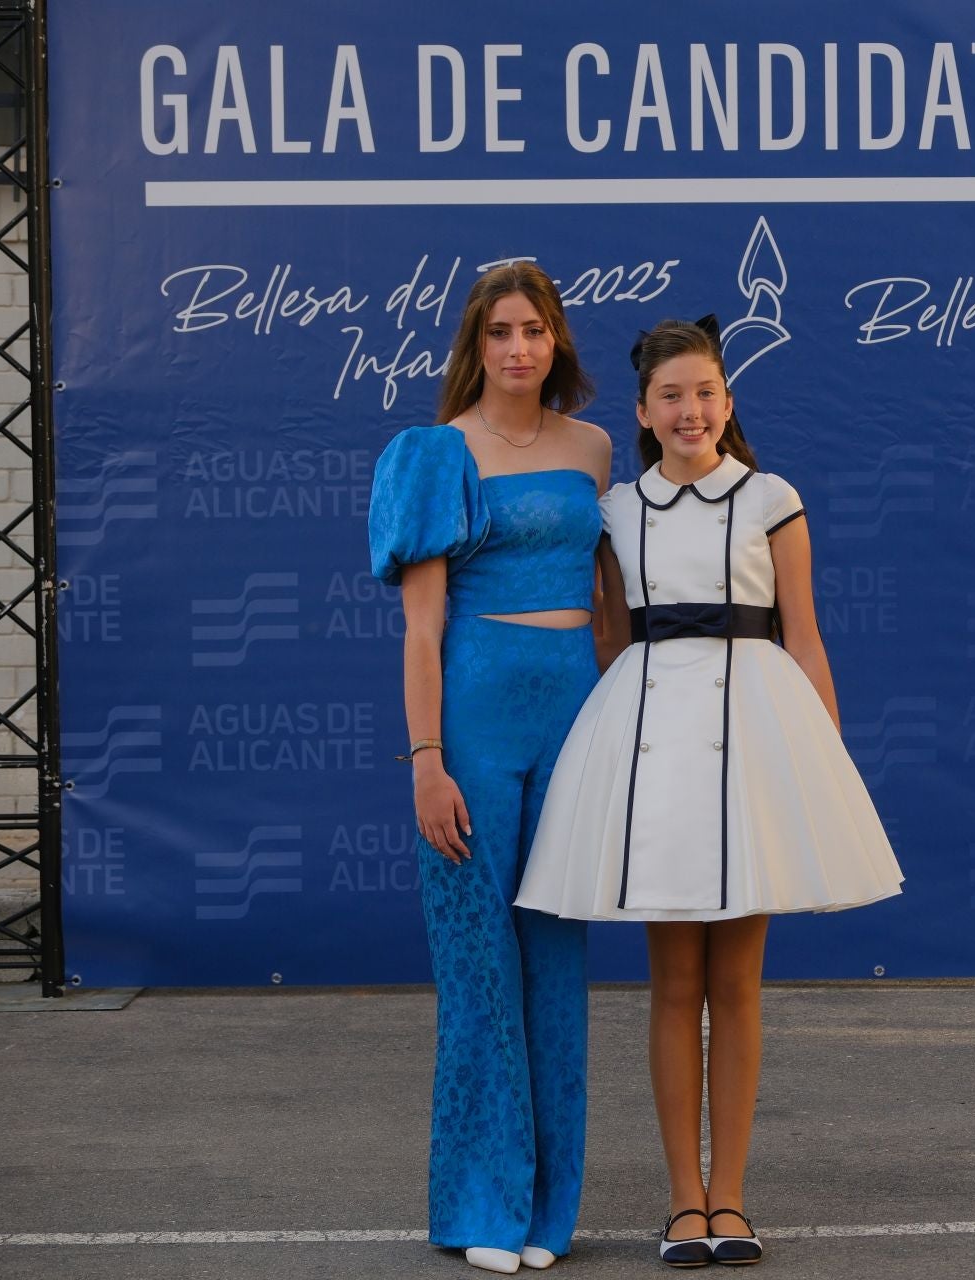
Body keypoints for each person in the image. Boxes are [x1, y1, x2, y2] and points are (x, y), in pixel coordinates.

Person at [516, 316, 904, 1268]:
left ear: (729, 404)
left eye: (707, 394)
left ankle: (730, 1200)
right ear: (645, 415)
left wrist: (823, 757)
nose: (692, 410)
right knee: (672, 983)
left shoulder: (772, 498)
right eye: (672, 397)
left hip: (756, 744)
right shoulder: (615, 512)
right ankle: (681, 1204)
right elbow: (607, 638)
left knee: (736, 984)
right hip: (652, 745)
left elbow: (804, 637)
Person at [368, 262, 612, 1276]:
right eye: (503, 330)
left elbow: (615, 607)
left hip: (576, 715)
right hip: (472, 713)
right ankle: (483, 1200)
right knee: (480, 968)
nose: (520, 346)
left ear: (557, 341)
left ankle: (548, 1212)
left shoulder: (596, 449)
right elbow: (422, 628)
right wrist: (426, 760)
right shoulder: (437, 451)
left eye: (537, 329)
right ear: (478, 341)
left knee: (556, 963)